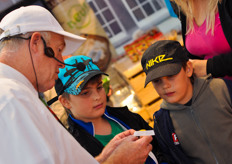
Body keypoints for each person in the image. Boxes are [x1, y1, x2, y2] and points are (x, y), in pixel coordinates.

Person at [0, 5, 153, 164]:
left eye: (99, 87)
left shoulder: (15, 93)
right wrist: (118, 160)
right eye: (58, 50)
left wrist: (103, 158)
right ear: (36, 43)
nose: (61, 63)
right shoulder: (11, 98)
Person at [50, 55, 170, 164]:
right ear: (65, 101)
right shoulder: (73, 147)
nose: (97, 97)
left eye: (99, 87)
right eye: (85, 93)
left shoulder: (124, 115)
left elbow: (160, 147)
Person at [141, 40, 232, 163]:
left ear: (188, 69)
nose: (165, 85)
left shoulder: (223, 89)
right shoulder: (162, 122)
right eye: (157, 81)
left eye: (171, 75)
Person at [169, 0, 232, 78]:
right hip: (215, 87)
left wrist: (208, 67)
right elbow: (194, 55)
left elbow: (205, 66)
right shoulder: (186, 8)